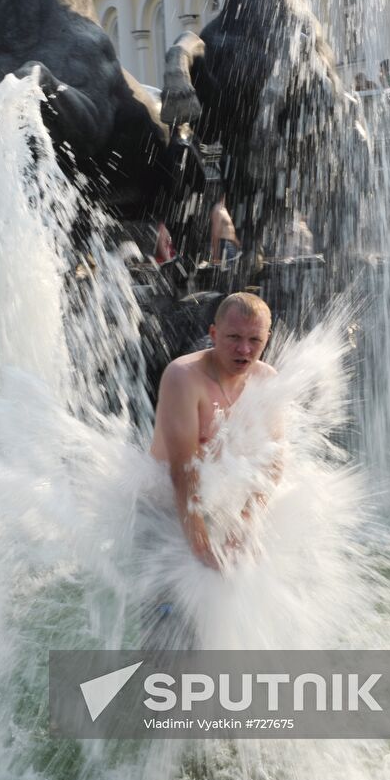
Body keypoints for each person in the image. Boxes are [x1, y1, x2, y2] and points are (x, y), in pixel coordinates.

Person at [151, 292, 276, 570]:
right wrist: (202, 548)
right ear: (214, 333)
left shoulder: (266, 379)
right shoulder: (183, 377)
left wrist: (245, 524)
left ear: (267, 337)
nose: (244, 349)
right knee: (168, 607)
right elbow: (182, 470)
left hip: (220, 503)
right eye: (234, 337)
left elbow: (274, 463)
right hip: (165, 507)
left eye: (254, 340)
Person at [210, 194, 240, 265]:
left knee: (233, 270)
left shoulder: (224, 209)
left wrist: (238, 244)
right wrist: (215, 256)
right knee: (230, 271)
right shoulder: (218, 209)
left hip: (230, 246)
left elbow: (229, 232)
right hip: (225, 246)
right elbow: (215, 233)